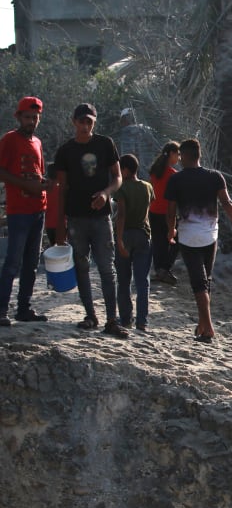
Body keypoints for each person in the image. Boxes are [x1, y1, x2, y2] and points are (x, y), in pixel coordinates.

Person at [165, 138, 232, 343]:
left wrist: (171, 231)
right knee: (206, 281)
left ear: (184, 156)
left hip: (188, 237)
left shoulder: (176, 180)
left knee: (199, 283)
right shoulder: (215, 177)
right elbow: (227, 203)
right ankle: (203, 324)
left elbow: (170, 211)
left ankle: (209, 327)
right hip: (211, 236)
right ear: (199, 155)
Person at [53, 103, 127, 338]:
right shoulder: (66, 151)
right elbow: (62, 188)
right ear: (74, 122)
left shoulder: (105, 144)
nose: (85, 126)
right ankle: (90, 315)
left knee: (107, 269)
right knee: (82, 267)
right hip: (76, 218)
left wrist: (106, 193)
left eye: (90, 122)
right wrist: (60, 226)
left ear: (94, 123)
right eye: (82, 121)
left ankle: (112, 320)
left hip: (101, 217)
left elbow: (117, 177)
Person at [0, 96, 48, 326]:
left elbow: (38, 172)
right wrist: (26, 185)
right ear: (18, 117)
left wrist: (46, 184)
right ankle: (1, 310)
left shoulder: (37, 142)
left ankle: (24, 308)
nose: (31, 121)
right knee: (12, 262)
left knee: (32, 262)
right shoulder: (10, 139)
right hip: (19, 210)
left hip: (38, 208)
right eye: (27, 117)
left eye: (35, 118)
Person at [114, 154, 154, 331]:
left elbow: (121, 215)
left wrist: (119, 240)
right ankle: (142, 321)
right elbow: (148, 209)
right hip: (143, 235)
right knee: (142, 281)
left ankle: (125, 319)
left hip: (127, 235)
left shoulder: (122, 188)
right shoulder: (148, 187)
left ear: (125, 170)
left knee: (123, 280)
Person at [147, 141, 181, 286]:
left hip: (153, 211)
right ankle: (164, 270)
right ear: (172, 154)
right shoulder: (173, 174)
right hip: (167, 213)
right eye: (178, 154)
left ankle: (159, 270)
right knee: (175, 241)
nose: (179, 158)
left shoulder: (155, 171)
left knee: (158, 242)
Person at [114, 107, 160, 179]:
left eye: (123, 120)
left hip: (132, 174)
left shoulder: (124, 134)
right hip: (148, 173)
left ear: (125, 119)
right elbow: (157, 149)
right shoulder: (146, 130)